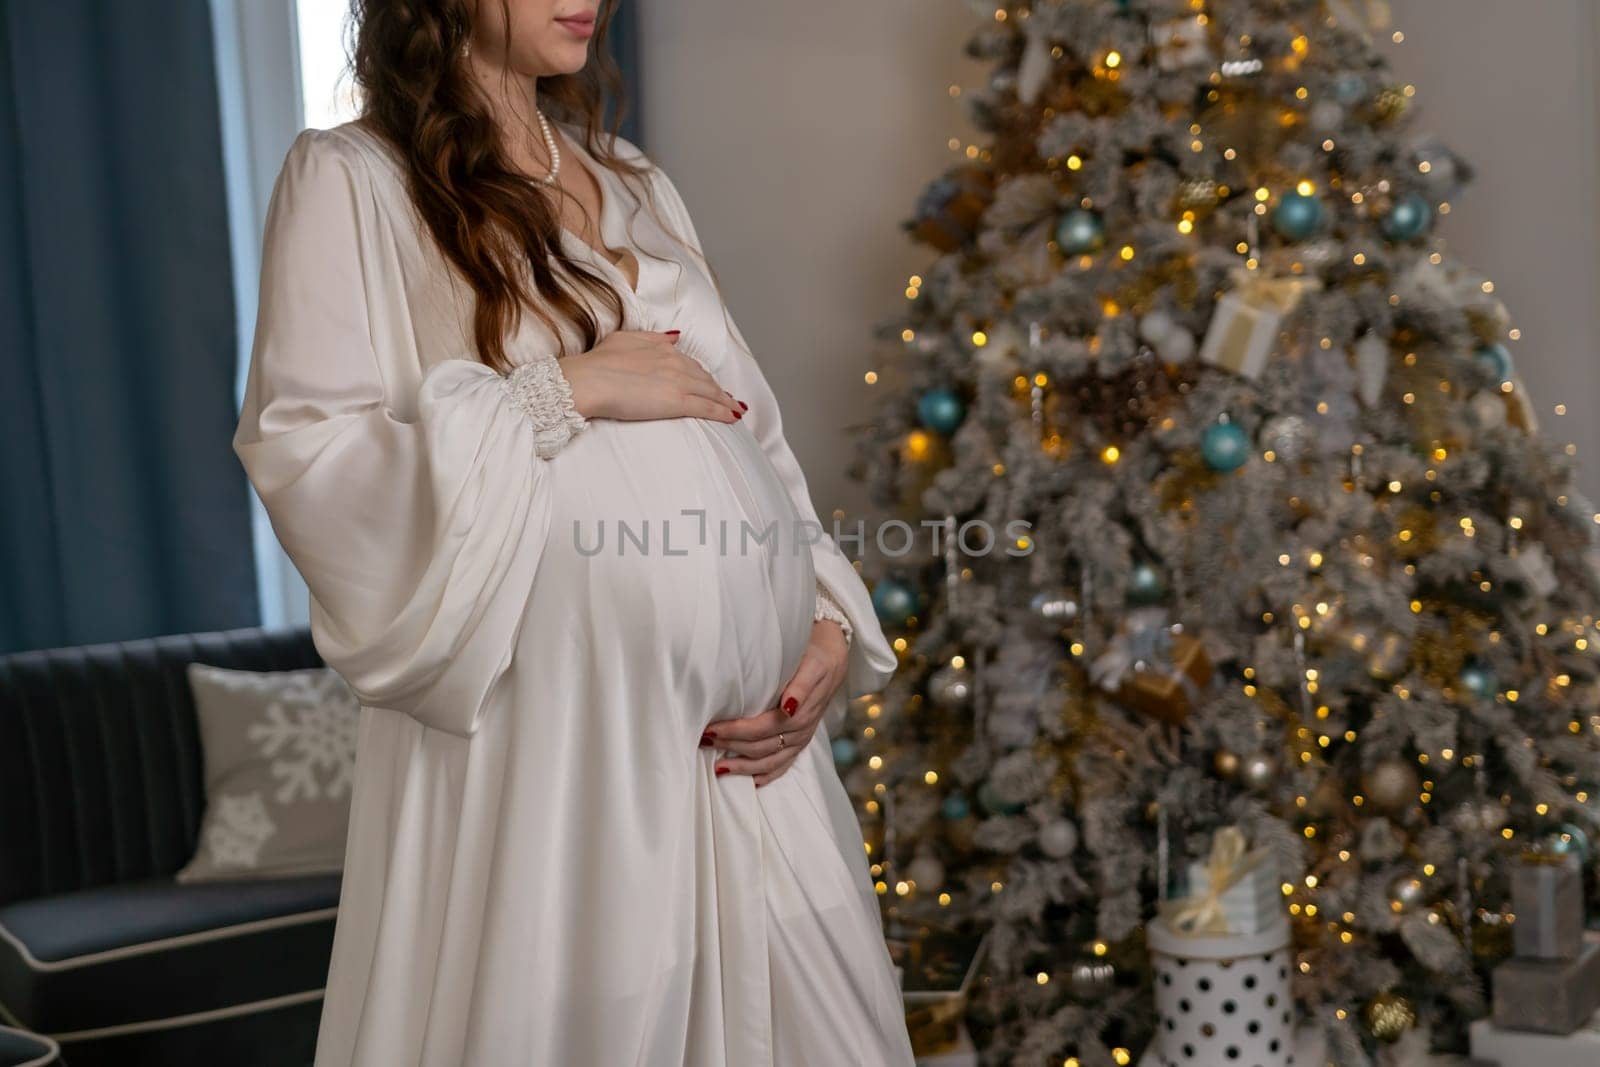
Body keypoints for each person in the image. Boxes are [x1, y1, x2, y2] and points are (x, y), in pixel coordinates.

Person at [231, 0, 917, 1064]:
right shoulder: (350, 179)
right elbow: (307, 450)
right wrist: (563, 390)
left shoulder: (635, 178)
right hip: (555, 748)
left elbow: (759, 440)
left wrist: (823, 621)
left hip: (751, 765)